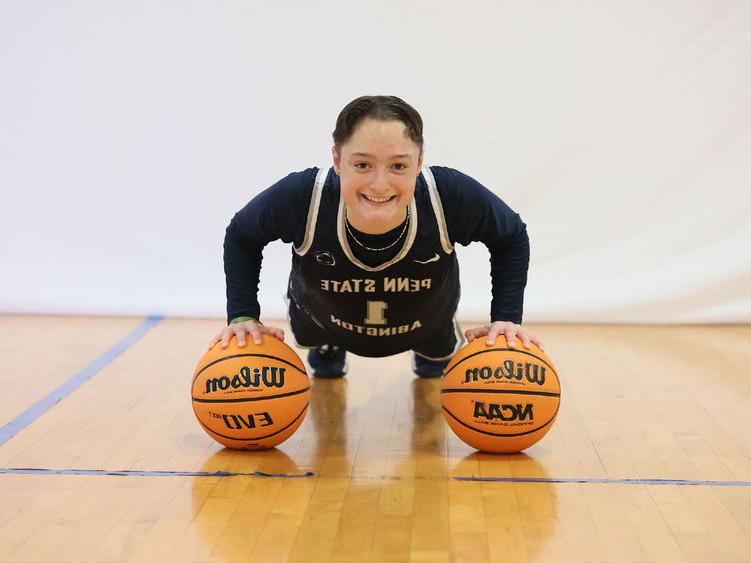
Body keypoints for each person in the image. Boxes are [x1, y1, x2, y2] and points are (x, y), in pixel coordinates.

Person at [209, 95, 543, 378]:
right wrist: (242, 314)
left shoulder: (447, 194)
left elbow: (511, 236)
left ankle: (433, 348)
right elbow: (241, 235)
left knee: (435, 369)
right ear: (337, 161)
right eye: (363, 165)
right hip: (324, 319)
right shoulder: (305, 195)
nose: (380, 184)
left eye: (398, 166)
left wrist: (506, 318)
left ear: (419, 162)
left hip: (425, 321)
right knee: (321, 355)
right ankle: (329, 344)